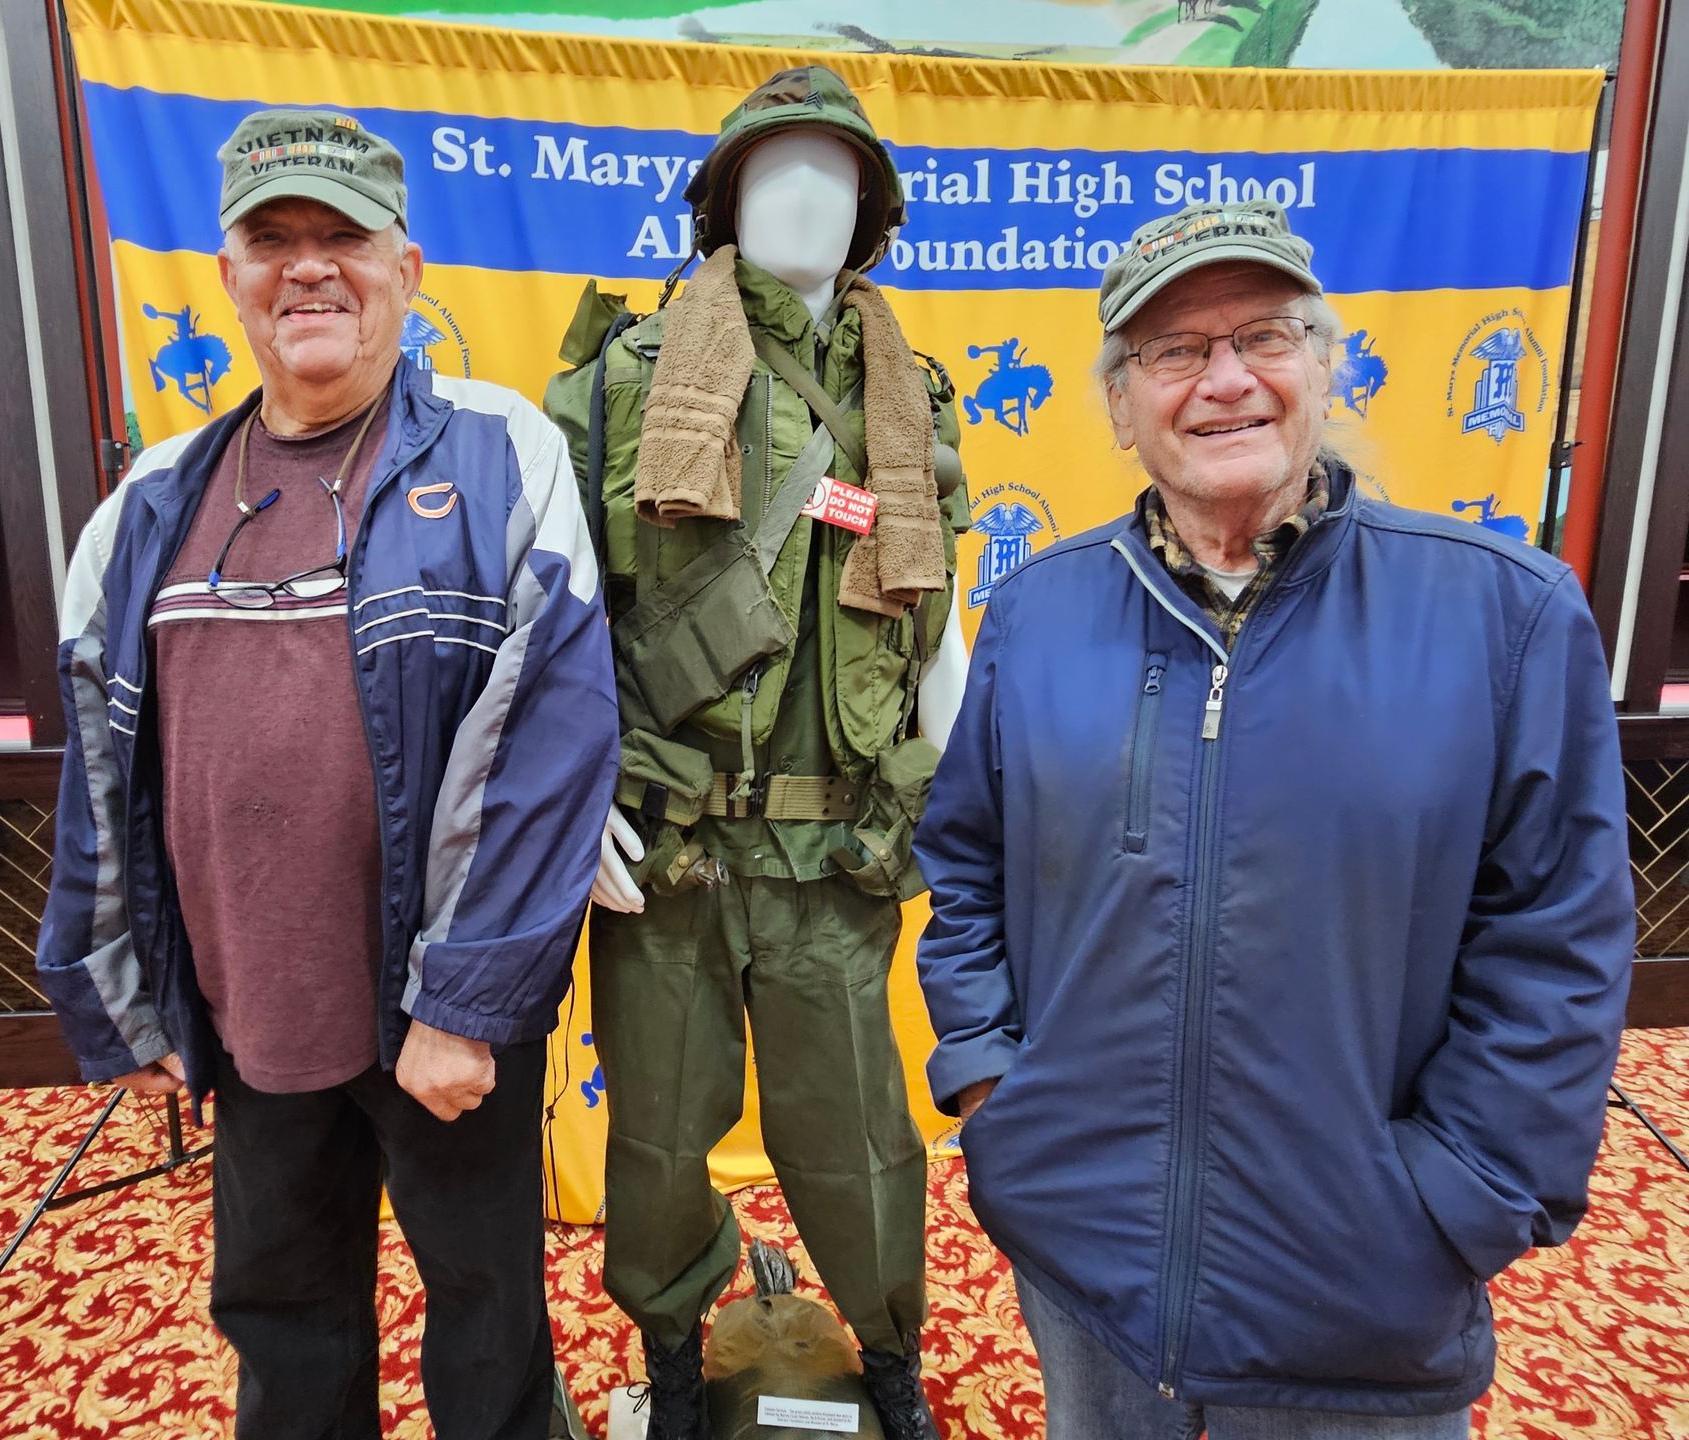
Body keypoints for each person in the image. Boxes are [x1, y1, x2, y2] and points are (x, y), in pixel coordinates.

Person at [914, 199, 1634, 1439]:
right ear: (1121, 405)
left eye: (1262, 336)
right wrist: (995, 1098)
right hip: (1090, 1276)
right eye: (1174, 352)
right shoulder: (1036, 616)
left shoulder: (1503, 615)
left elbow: (1559, 941)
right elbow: (966, 866)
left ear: (1324, 362)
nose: (1223, 381)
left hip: (1363, 1298)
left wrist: (1460, 1199)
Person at [36, 107, 617, 1440]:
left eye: (341, 237)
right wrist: (112, 989)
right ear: (228, 273)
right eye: (272, 239)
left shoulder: (499, 453)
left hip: (441, 1014)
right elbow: (99, 759)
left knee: (488, 1320)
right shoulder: (151, 503)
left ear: (405, 270)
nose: (308, 268)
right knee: (285, 1322)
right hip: (252, 1009)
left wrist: (468, 1001)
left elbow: (556, 735)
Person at [543, 66, 970, 1440]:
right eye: (773, 170)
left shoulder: (917, 402)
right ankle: (675, 1351)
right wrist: (566, 810)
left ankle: (889, 1357)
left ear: (872, 214)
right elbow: (559, 624)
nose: (806, 195)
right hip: (665, 852)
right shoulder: (619, 384)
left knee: (858, 1143)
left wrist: (971, 823)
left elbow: (935, 633)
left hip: (836, 848)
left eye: (835, 174)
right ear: (722, 208)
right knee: (661, 1144)